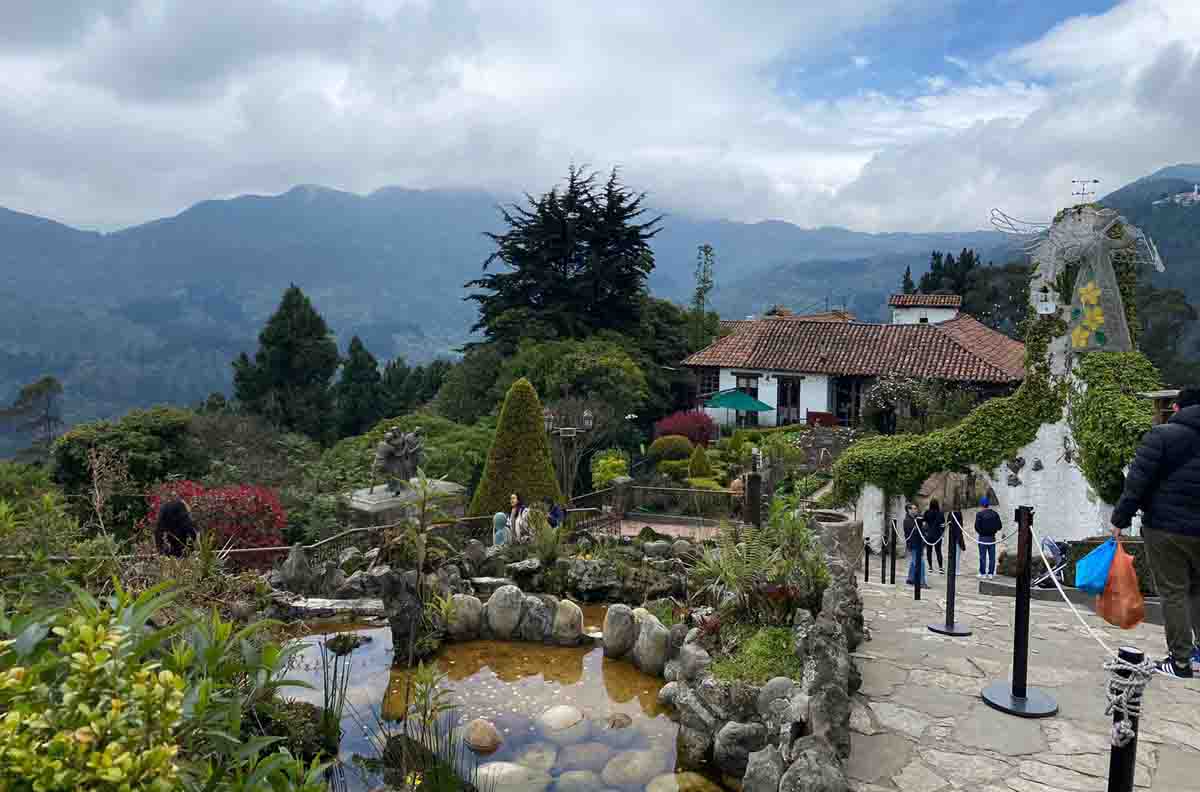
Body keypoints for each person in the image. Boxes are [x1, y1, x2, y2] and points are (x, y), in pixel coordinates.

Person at [1111, 386, 1200, 678]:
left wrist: (1120, 519)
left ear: (1176, 409)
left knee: (1174, 593)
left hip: (1166, 527)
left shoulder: (1161, 436)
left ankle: (1181, 661)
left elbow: (1137, 482)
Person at [974, 496, 1001, 579]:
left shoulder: (979, 514)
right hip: (992, 538)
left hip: (982, 538)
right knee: (992, 557)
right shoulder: (995, 514)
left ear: (981, 505)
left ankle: (982, 573)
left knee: (982, 556)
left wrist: (981, 532)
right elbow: (999, 526)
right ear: (988, 505)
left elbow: (976, 527)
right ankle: (991, 573)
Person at [903, 502, 929, 589]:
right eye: (912, 509)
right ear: (908, 510)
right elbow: (916, 530)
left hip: (917, 543)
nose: (915, 510)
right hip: (914, 544)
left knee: (914, 561)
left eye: (915, 508)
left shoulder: (914, 519)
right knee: (920, 562)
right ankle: (921, 581)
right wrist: (924, 526)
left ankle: (911, 578)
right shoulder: (908, 520)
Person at [924, 498, 946, 574]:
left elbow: (924, 522)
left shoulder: (927, 512)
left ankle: (930, 567)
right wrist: (942, 533)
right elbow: (943, 525)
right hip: (937, 535)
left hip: (929, 535)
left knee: (929, 551)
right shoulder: (940, 513)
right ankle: (940, 568)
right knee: (938, 551)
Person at [949, 508, 967, 574]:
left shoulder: (951, 513)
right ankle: (956, 570)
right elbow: (961, 525)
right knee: (957, 555)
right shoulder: (958, 513)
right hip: (957, 537)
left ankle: (954, 569)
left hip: (952, 537)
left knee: (953, 554)